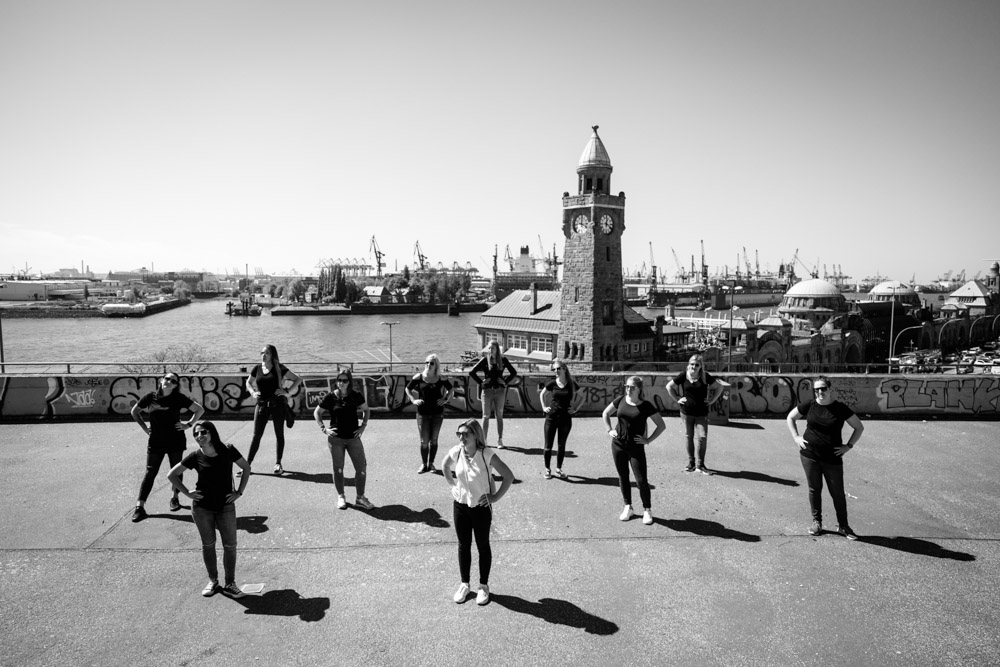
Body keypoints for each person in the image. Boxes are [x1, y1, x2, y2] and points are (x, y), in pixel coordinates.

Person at [167, 420, 251, 599]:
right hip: (202, 508)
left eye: (203, 432)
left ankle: (230, 584)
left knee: (230, 546)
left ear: (212, 432)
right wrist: (187, 493)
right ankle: (213, 581)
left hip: (226, 506)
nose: (199, 436)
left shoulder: (228, 450)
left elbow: (245, 468)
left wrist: (239, 492)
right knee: (208, 544)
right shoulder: (195, 456)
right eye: (196, 434)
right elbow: (171, 475)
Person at [441, 418, 513, 606]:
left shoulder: (486, 454)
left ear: (475, 435)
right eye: (459, 434)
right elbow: (444, 466)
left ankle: (483, 586)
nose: (461, 437)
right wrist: (453, 486)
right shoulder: (456, 452)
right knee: (463, 545)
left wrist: (495, 497)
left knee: (482, 545)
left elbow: (508, 476)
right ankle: (465, 584)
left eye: (465, 434)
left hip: (481, 508)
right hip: (461, 506)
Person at [786, 375, 865, 540]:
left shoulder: (840, 408)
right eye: (817, 389)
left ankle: (843, 526)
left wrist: (848, 446)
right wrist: (796, 437)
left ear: (830, 389)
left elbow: (858, 427)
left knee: (837, 493)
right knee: (814, 489)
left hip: (833, 458)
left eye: (823, 388)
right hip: (809, 455)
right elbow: (790, 418)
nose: (820, 392)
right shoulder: (810, 405)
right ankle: (817, 522)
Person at [130, 372, 205, 522]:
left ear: (176, 385)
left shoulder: (178, 398)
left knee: (176, 470)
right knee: (150, 472)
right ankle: (140, 507)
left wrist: (188, 425)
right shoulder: (150, 397)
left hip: (175, 440)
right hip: (156, 441)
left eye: (173, 381)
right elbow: (135, 412)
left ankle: (174, 497)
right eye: (167, 379)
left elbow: (199, 410)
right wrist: (145, 428)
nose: (169, 382)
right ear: (161, 380)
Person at [601, 376, 666, 526]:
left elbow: (661, 425)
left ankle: (647, 510)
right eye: (627, 386)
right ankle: (628, 506)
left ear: (639, 389)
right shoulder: (621, 400)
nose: (628, 389)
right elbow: (605, 413)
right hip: (618, 445)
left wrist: (648, 440)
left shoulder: (646, 406)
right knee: (623, 477)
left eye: (631, 387)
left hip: (636, 448)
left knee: (641, 480)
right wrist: (609, 430)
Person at [314, 369, 373, 510]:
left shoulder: (355, 396)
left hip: (353, 438)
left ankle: (360, 497)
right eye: (339, 380)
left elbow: (367, 409)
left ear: (349, 382)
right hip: (336, 439)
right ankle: (341, 496)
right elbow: (317, 412)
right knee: (338, 469)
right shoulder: (330, 397)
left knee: (361, 469)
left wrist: (363, 426)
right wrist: (323, 428)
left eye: (344, 380)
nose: (341, 383)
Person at [245, 344, 302, 476]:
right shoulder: (257, 368)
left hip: (277, 405)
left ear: (272, 355)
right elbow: (248, 382)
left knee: (279, 434)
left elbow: (298, 379)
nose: (263, 355)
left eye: (266, 353)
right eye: (262, 353)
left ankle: (278, 463)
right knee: (256, 435)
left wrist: (286, 391)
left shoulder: (279, 368)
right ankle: (247, 465)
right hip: (262, 405)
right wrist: (253, 393)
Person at [666, 354, 722, 474]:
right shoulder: (683, 376)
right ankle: (691, 463)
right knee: (689, 436)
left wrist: (712, 400)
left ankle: (700, 464)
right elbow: (669, 386)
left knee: (702, 437)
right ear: (688, 365)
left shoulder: (705, 377)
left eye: (697, 365)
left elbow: (719, 387)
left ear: (701, 366)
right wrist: (677, 399)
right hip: (686, 412)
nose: (694, 367)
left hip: (701, 413)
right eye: (692, 364)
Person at [405, 354, 454, 474]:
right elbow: (408, 389)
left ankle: (431, 463)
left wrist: (445, 399)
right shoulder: (419, 377)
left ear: (436, 365)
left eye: (431, 363)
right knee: (424, 441)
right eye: (426, 362)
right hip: (422, 413)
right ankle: (424, 464)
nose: (428, 365)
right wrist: (413, 400)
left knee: (434, 440)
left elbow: (451, 389)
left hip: (437, 413)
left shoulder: (441, 378)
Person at [538, 359, 584, 479]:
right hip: (551, 417)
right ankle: (547, 470)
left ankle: (558, 469)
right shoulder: (552, 383)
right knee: (548, 446)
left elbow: (582, 396)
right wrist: (544, 407)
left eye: (558, 368)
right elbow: (542, 394)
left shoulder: (571, 383)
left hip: (565, 418)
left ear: (564, 369)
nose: (556, 371)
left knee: (561, 445)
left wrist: (575, 409)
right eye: (554, 369)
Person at [468, 341, 517, 448]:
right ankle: (484, 440)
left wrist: (505, 381)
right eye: (489, 348)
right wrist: (481, 382)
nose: (490, 350)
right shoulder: (485, 360)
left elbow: (514, 372)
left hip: (500, 391)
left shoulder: (503, 360)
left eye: (492, 348)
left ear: (497, 349)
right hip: (487, 391)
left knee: (499, 416)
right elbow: (472, 372)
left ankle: (499, 440)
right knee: (486, 416)